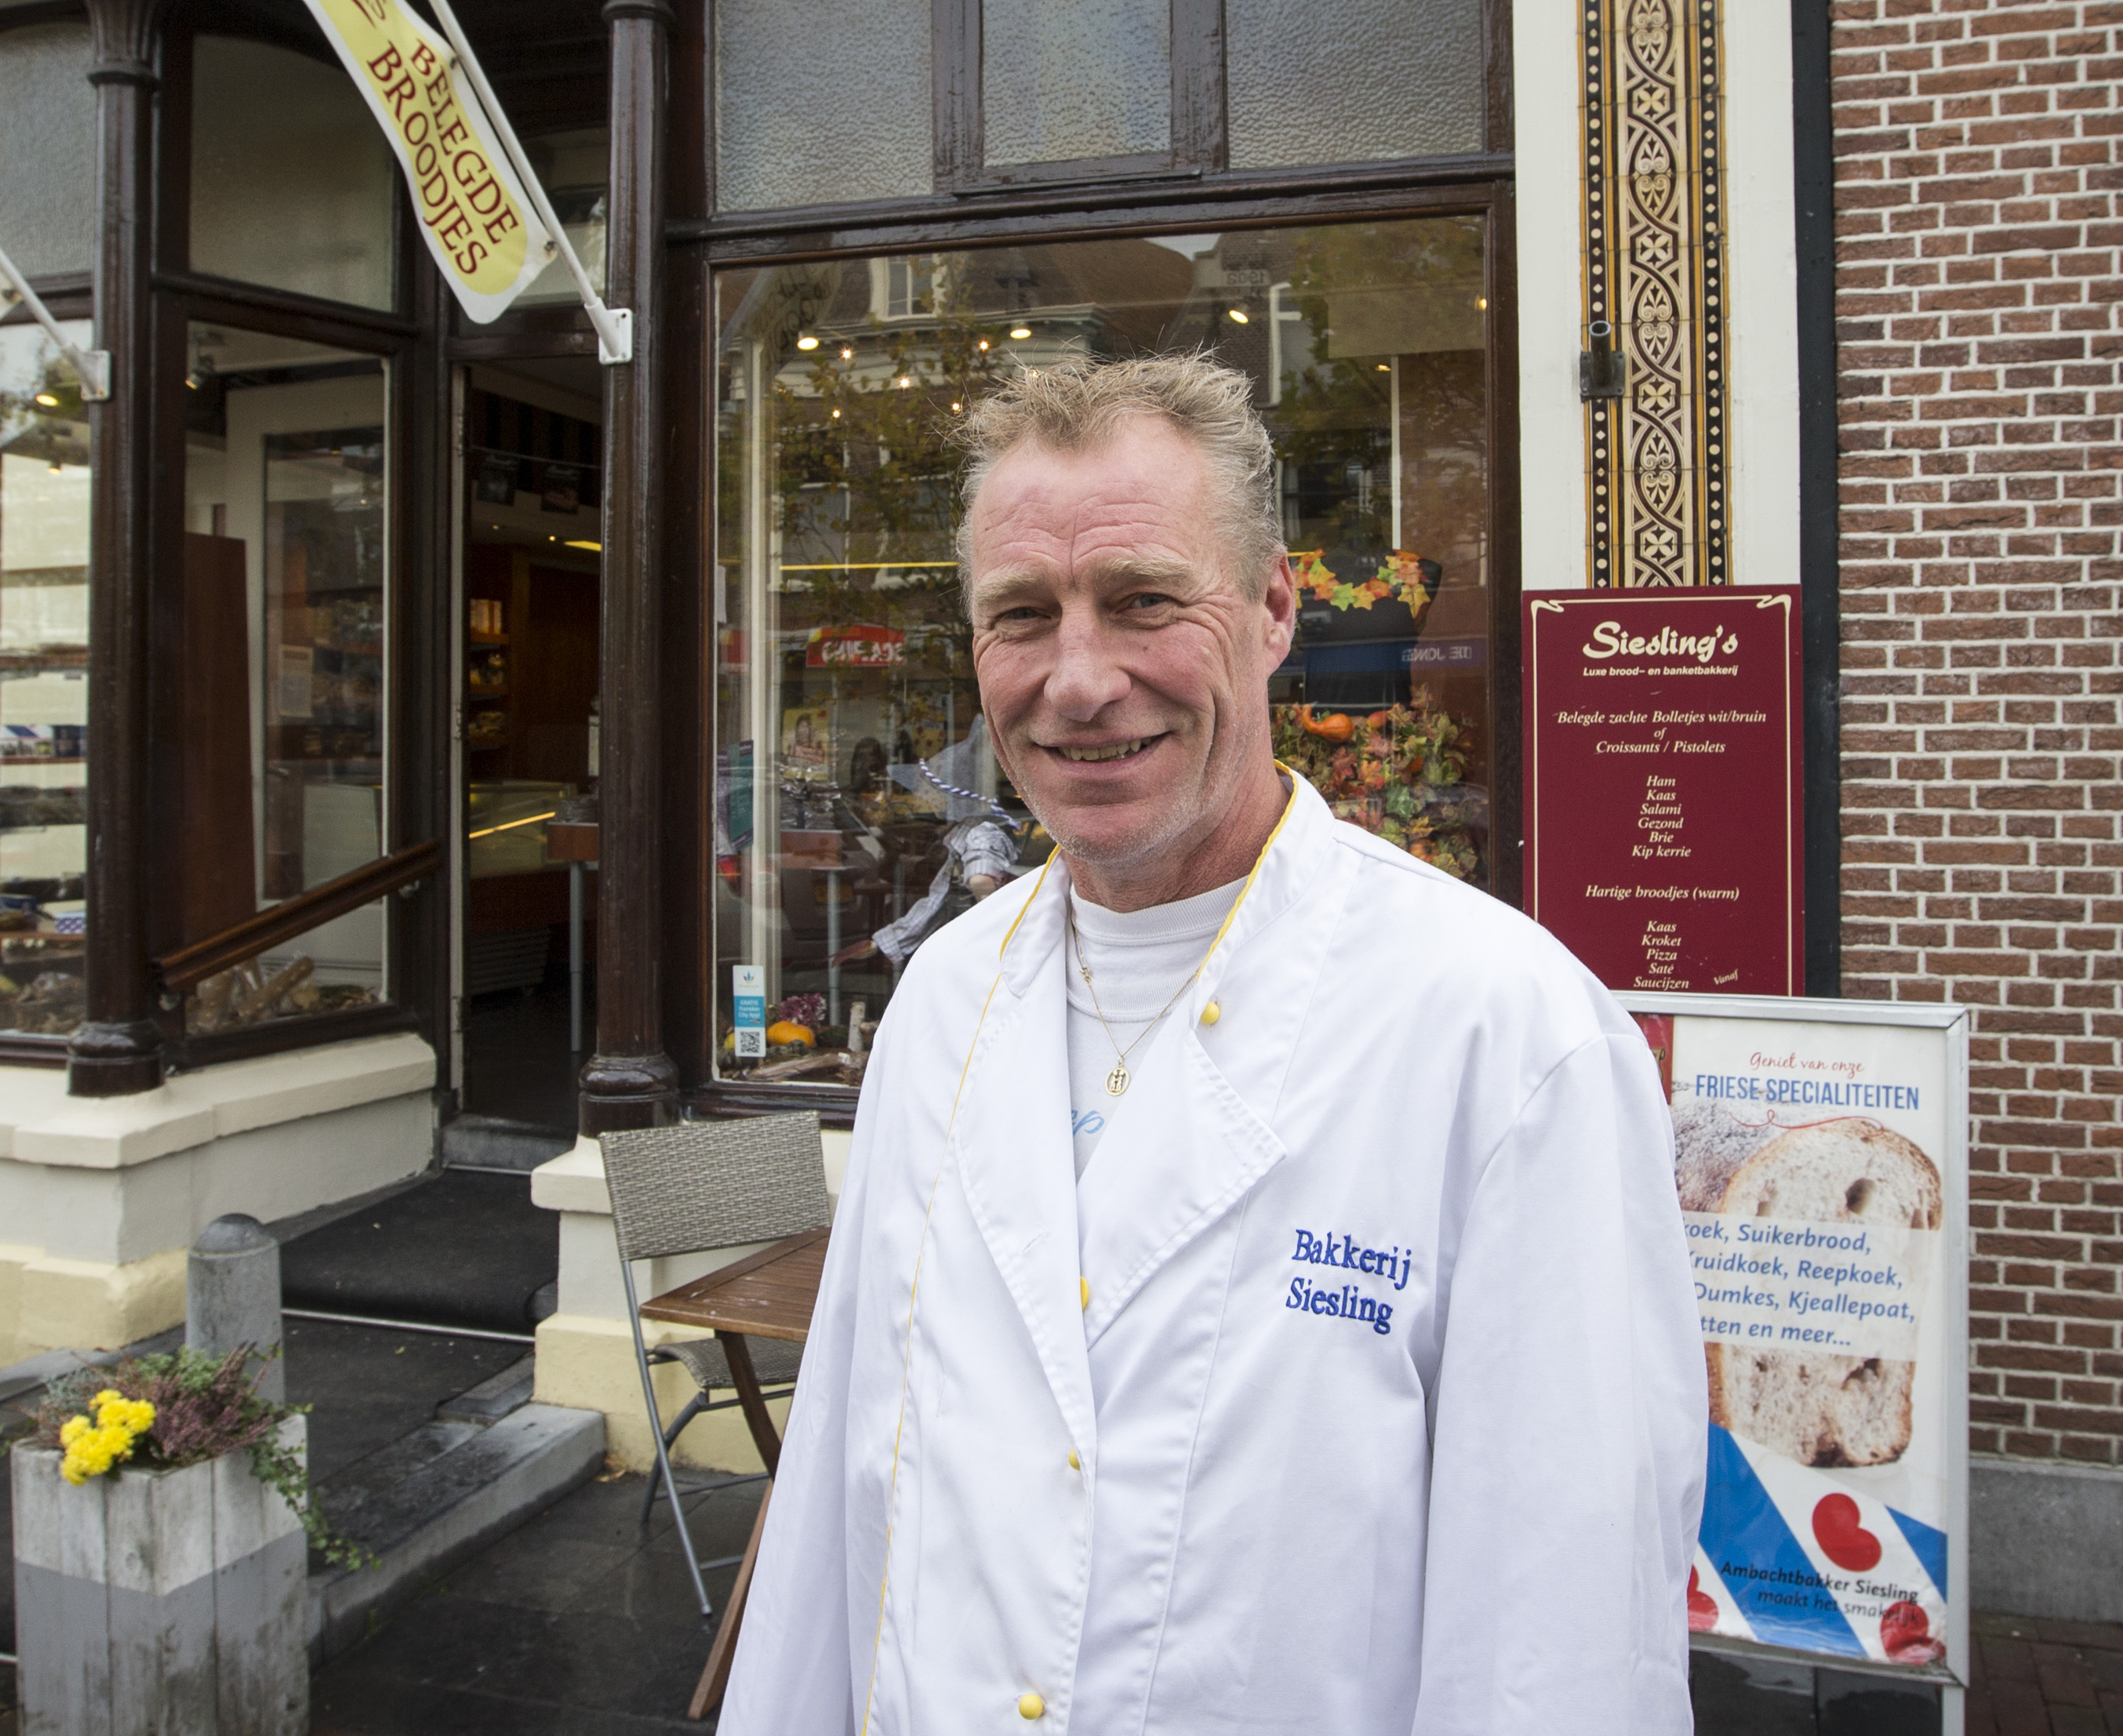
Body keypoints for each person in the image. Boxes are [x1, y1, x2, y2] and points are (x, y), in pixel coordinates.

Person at [720, 354, 1704, 1736]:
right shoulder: (940, 1000)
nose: (1076, 679)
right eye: (1020, 615)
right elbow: (835, 1503)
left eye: (1141, 601)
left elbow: (1558, 1639)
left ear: (1271, 609)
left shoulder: (1506, 1036)